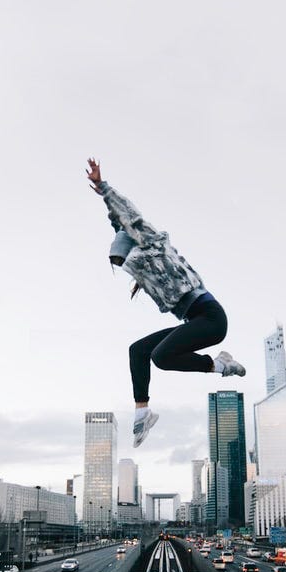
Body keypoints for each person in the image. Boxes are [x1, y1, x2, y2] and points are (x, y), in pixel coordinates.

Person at [87, 158, 245, 447]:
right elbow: (117, 225)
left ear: (133, 246)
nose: (126, 266)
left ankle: (221, 366)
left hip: (211, 318)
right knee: (138, 350)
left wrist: (103, 187)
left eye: (123, 259)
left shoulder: (152, 244)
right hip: (196, 320)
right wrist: (108, 212)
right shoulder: (139, 261)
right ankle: (142, 413)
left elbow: (127, 219)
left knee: (161, 356)